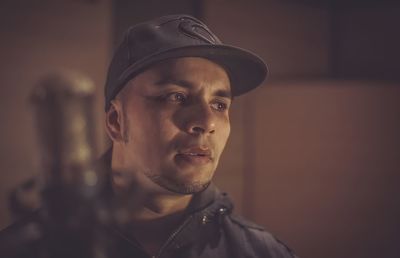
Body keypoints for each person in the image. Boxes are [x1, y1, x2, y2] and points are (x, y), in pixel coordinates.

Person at [0, 14, 297, 258]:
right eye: (176, 97)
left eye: (219, 104)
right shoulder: (24, 250)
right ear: (117, 120)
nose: (207, 123)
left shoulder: (262, 253)